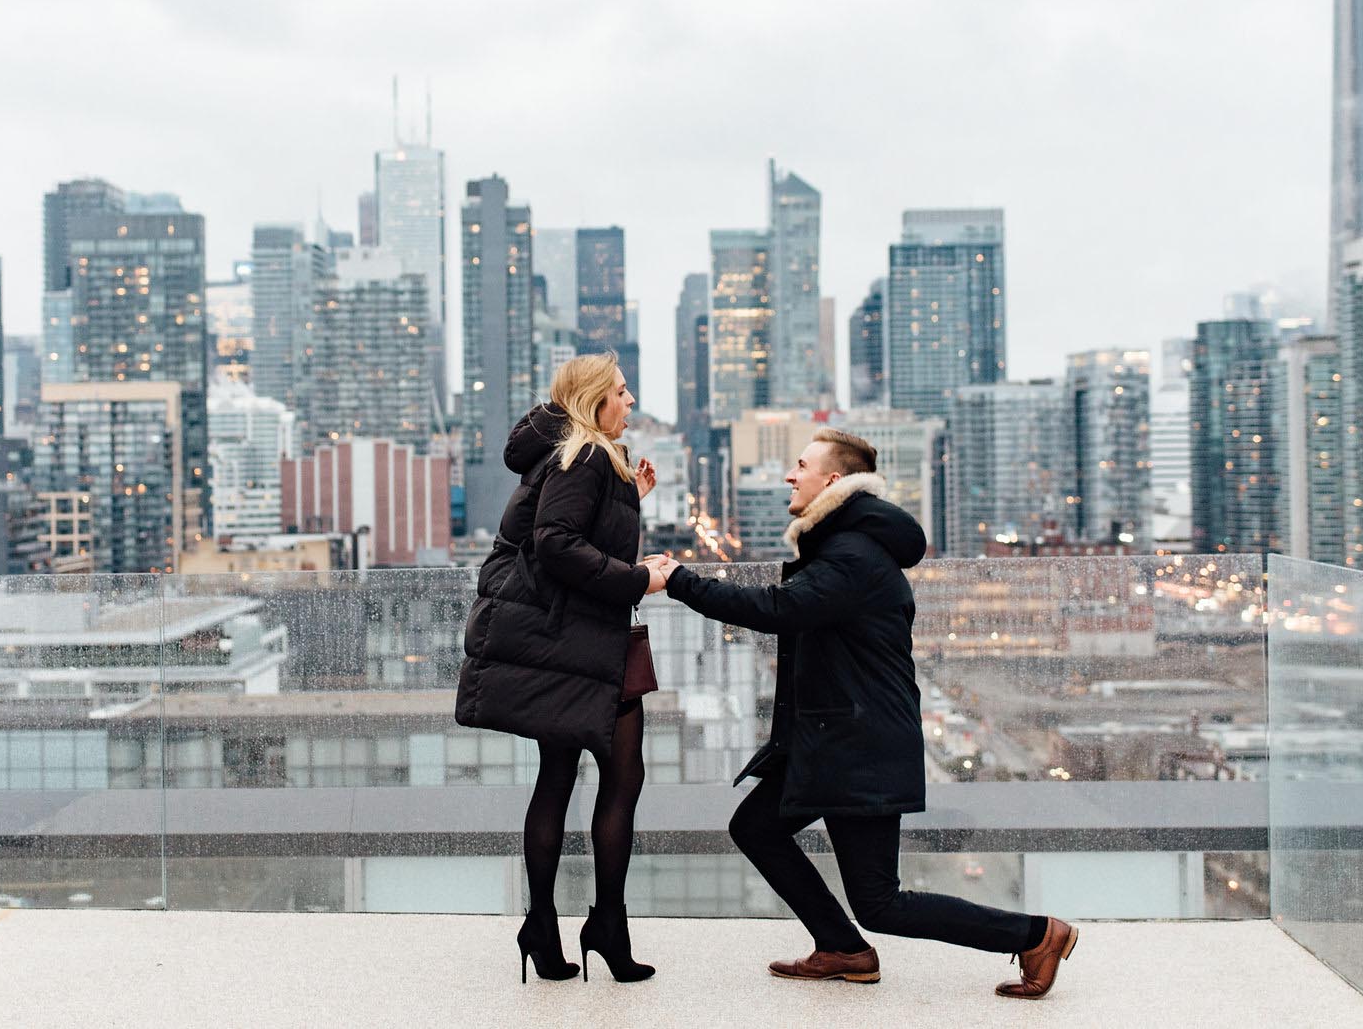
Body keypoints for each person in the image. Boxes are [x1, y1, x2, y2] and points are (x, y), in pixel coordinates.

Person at [660, 428, 1076, 999]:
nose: (789, 474)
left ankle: (1035, 935)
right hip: (834, 737)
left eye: (800, 465)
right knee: (756, 827)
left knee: (880, 902)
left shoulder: (852, 554)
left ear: (832, 480)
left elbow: (783, 609)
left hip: (858, 745)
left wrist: (679, 581)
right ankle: (842, 948)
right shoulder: (844, 545)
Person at [455, 353, 681, 984]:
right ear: (594, 402)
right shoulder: (584, 456)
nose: (631, 401)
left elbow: (565, 528)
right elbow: (557, 542)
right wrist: (642, 579)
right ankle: (606, 924)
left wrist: (629, 498)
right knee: (622, 777)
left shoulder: (577, 457)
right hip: (580, 646)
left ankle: (544, 926)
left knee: (557, 776)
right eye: (621, 391)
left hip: (561, 645)